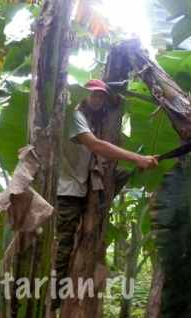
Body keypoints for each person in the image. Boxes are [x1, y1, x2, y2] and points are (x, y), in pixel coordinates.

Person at [51, 79, 158, 314]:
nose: (97, 99)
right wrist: (137, 158)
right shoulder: (74, 115)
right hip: (66, 192)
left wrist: (135, 165)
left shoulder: (90, 120)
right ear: (83, 95)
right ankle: (54, 302)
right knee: (64, 246)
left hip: (82, 188)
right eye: (93, 94)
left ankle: (98, 207)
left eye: (101, 95)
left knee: (120, 174)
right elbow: (96, 146)